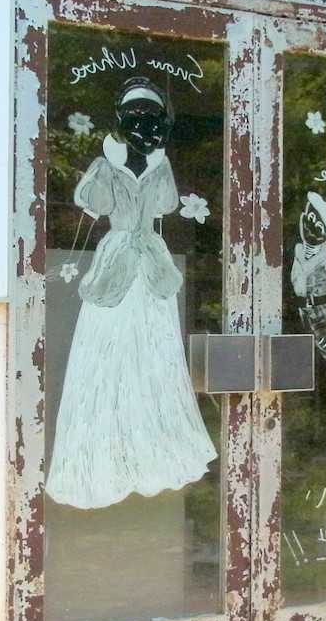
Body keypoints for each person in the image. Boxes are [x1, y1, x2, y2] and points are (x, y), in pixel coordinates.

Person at [46, 77, 218, 509]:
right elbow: (95, 201)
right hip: (118, 260)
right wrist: (108, 166)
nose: (146, 127)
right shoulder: (107, 163)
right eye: (136, 117)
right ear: (122, 121)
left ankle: (151, 450)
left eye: (154, 118)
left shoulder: (160, 165)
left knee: (154, 353)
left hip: (151, 265)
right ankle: (101, 458)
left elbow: (165, 204)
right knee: (105, 353)